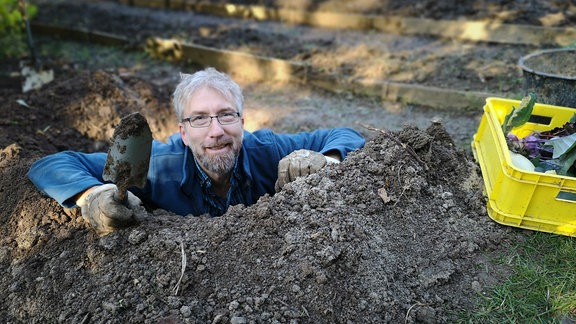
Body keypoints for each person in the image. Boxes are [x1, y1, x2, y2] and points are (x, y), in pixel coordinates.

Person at [28, 67, 365, 236]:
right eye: (200, 119)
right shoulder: (158, 165)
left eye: (226, 115)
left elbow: (345, 134)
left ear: (242, 121)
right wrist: (94, 195)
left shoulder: (266, 150)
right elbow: (51, 164)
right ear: (183, 133)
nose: (216, 131)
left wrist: (326, 160)